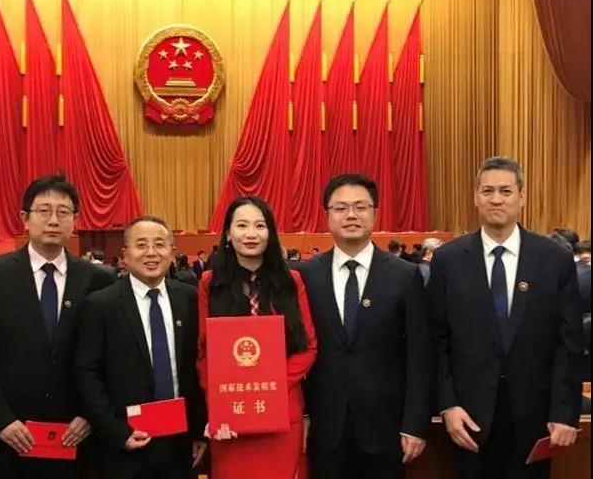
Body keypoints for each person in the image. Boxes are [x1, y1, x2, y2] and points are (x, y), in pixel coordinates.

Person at [427, 156, 583, 479]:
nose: (496, 199)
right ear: (476, 197)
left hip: (536, 421)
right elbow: (436, 341)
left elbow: (568, 343)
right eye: (487, 191)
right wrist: (447, 405)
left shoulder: (554, 260)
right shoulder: (447, 261)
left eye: (505, 191)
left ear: (522, 197)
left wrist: (564, 412)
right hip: (468, 423)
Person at [0, 175, 114, 479]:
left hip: (74, 436)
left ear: (75, 221)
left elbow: (109, 356)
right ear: (25, 218)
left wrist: (90, 415)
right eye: (44, 211)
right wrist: (1, 420)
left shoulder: (98, 279)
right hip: (5, 439)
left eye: (63, 212)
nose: (53, 220)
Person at [298, 173, 431, 479]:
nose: (351, 215)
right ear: (327, 215)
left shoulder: (404, 275)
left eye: (360, 207)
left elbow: (419, 355)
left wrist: (415, 424)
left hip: (386, 428)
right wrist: (301, 415)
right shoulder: (305, 276)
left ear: (375, 213)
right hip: (324, 427)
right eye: (341, 208)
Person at [75, 215, 207, 479]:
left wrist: (198, 430)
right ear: (125, 255)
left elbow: (198, 367)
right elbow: (86, 373)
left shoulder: (189, 299)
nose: (151, 252)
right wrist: (116, 431)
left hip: (180, 443)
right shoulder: (101, 305)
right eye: (141, 244)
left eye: (159, 244)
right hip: (125, 444)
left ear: (172, 252)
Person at [197, 196, 317, 479]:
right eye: (242, 225)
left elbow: (308, 347)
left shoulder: (291, 281)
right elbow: (203, 352)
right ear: (228, 233)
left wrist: (267, 387)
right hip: (230, 416)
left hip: (281, 413)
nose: (251, 233)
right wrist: (218, 404)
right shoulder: (210, 283)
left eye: (259, 226)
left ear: (270, 233)